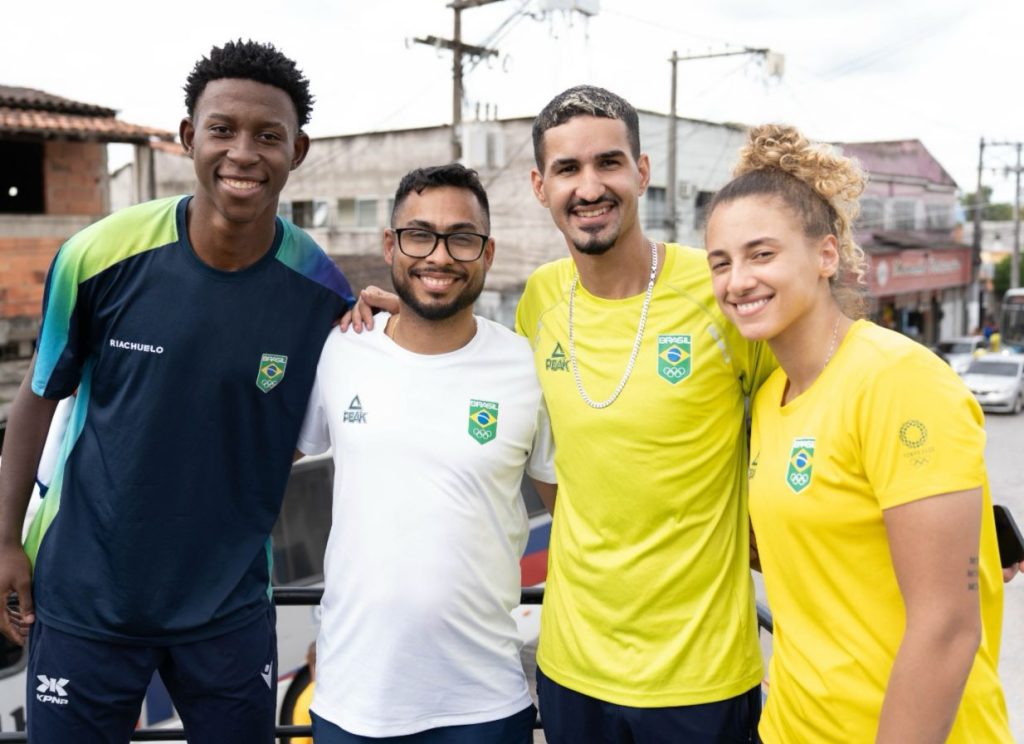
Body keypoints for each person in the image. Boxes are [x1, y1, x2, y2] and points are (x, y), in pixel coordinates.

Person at [0, 40, 353, 743]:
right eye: (222, 129)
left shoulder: (322, 291)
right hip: (84, 600)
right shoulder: (99, 256)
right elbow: (38, 398)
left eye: (268, 136)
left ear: (299, 150)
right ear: (189, 137)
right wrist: (5, 541)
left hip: (228, 608)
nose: (243, 153)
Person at [704, 124, 1012, 742]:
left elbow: (948, 628)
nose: (737, 280)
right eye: (722, 262)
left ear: (826, 255)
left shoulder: (899, 380)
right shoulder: (769, 397)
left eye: (762, 254)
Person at [516, 86, 772, 742]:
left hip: (703, 675)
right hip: (572, 668)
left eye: (608, 163)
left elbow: (823, 400)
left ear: (642, 172)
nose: (589, 186)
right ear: (541, 186)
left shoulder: (721, 292)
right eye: (568, 170)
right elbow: (549, 458)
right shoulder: (539, 299)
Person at [296, 164, 555, 744]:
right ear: (390, 245)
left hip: (483, 704)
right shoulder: (341, 348)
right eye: (419, 234)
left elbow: (572, 514)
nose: (439, 255)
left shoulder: (526, 367)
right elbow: (261, 462)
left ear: (487, 253)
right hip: (351, 702)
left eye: (462, 238)